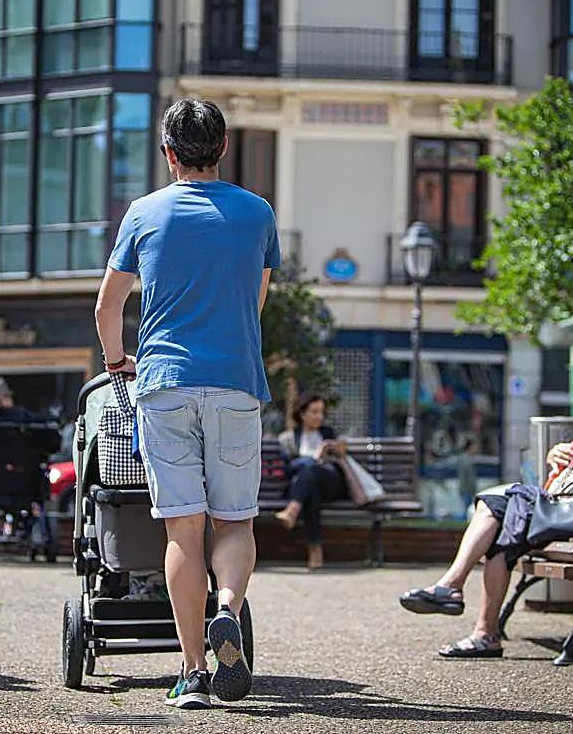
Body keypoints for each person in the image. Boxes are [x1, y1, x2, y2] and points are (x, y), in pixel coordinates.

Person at [95, 98, 280, 709]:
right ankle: (228, 608)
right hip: (235, 380)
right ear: (222, 148)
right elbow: (255, 302)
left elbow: (108, 307)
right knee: (235, 520)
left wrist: (118, 359)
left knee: (184, 527)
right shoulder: (257, 214)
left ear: (169, 152)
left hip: (164, 381)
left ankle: (194, 670)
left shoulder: (144, 213)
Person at [398, 346, 573, 658]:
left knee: (504, 500)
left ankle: (459, 598)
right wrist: (559, 457)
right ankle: (472, 618)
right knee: (497, 519)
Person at [274, 393, 349, 570]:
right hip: (306, 488)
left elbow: (342, 460)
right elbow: (289, 468)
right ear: (302, 413)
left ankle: (292, 511)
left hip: (331, 485)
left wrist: (337, 449)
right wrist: (314, 458)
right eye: (314, 412)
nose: (319, 416)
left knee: (311, 472)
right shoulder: (288, 438)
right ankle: (315, 549)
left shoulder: (328, 434)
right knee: (310, 488)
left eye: (321, 412)